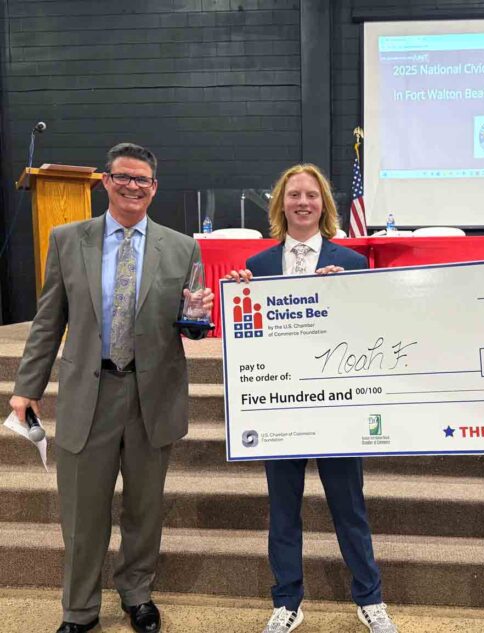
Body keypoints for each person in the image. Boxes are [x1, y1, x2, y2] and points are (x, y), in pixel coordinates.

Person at [9, 143, 214, 633]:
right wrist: (26, 386)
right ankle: (78, 611)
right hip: (90, 393)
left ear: (154, 188)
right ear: (105, 181)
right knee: (83, 513)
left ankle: (137, 595)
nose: (132, 187)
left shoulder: (181, 247)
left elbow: (189, 323)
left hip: (151, 396)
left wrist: (199, 320)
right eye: (123, 177)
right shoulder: (67, 240)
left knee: (144, 508)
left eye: (142, 180)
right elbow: (47, 321)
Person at [227, 164, 398, 633]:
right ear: (281, 204)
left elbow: (368, 336)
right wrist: (239, 300)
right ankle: (287, 602)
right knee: (283, 511)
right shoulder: (257, 267)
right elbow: (249, 339)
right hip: (279, 407)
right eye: (294, 195)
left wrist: (339, 294)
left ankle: (370, 598)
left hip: (335, 407)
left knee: (350, 509)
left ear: (324, 205)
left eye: (312, 195)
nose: (303, 202)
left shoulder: (352, 263)